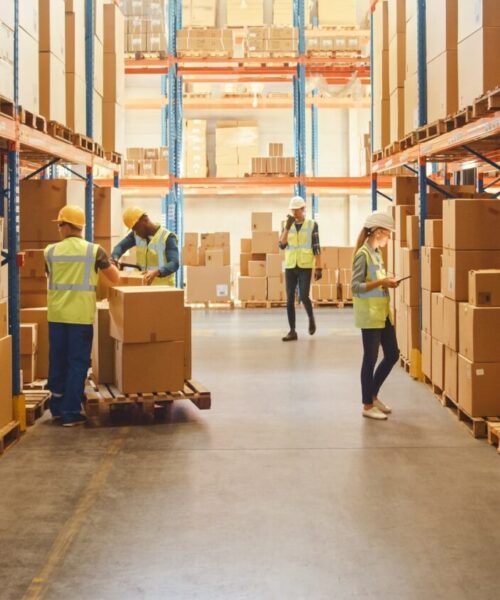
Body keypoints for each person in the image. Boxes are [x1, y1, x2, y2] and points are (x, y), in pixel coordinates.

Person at [45, 206, 120, 426]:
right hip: (79, 318)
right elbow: (114, 278)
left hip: (56, 316)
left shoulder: (49, 251)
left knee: (57, 360)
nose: (59, 229)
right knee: (77, 363)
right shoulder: (94, 251)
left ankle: (57, 409)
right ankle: (70, 413)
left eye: (60, 225)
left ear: (67, 226)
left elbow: (50, 275)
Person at [352, 211, 400, 420]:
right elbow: (355, 287)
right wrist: (382, 282)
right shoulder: (363, 254)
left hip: (382, 314)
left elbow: (377, 280)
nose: (389, 238)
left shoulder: (376, 253)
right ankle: (367, 405)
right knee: (370, 359)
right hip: (370, 315)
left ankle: (373, 394)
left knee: (392, 354)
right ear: (379, 231)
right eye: (388, 234)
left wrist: (388, 281)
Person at [279, 196, 322, 342]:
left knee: (303, 296)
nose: (294, 213)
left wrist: (319, 267)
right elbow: (282, 245)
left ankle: (311, 318)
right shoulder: (286, 224)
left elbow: (316, 247)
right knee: (289, 298)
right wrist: (286, 228)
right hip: (291, 265)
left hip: (305, 265)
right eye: (292, 210)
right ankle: (292, 331)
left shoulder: (312, 224)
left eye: (296, 210)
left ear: (303, 209)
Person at [111, 207, 180, 286]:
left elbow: (174, 263)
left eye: (136, 228)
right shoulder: (136, 235)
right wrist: (114, 258)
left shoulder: (167, 237)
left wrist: (157, 272)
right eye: (133, 230)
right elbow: (120, 247)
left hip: (163, 288)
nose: (136, 232)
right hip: (143, 286)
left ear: (145, 220)